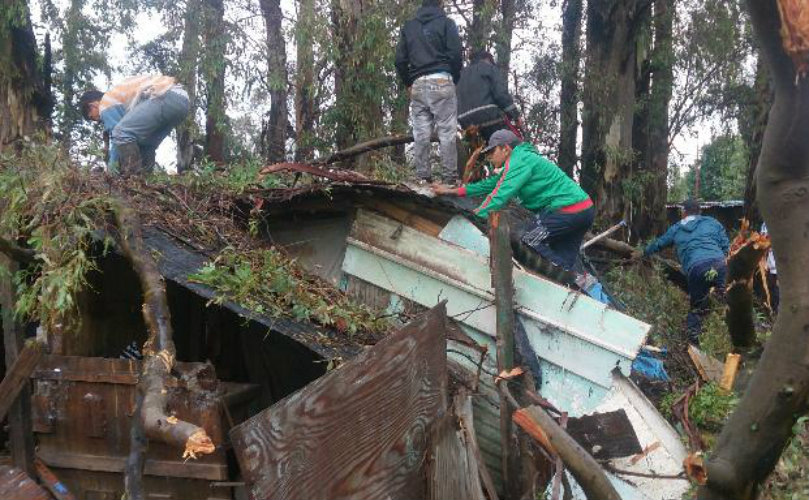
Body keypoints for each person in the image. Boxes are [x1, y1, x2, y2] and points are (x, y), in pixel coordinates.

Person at [432, 129, 594, 271]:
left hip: (567, 210)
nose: (489, 157)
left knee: (528, 240)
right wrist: (452, 191)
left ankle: (564, 273)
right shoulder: (523, 159)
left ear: (506, 149)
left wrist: (475, 215)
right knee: (563, 259)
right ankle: (571, 277)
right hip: (584, 210)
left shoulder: (519, 161)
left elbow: (500, 194)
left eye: (492, 152)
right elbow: (488, 185)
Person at [642, 199, 729, 345]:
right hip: (720, 265)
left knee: (697, 307)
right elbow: (726, 246)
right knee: (726, 300)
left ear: (683, 212)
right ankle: (731, 335)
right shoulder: (712, 222)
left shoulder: (677, 228)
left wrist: (643, 252)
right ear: (699, 211)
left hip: (696, 268)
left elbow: (659, 244)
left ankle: (694, 341)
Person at [395, 0, 462, 184]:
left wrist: (408, 82)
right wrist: (453, 78)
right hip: (441, 78)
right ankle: (449, 179)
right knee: (446, 131)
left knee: (421, 133)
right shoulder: (447, 23)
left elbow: (400, 60)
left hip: (417, 83)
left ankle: (423, 177)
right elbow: (456, 54)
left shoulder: (409, 27)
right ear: (440, 3)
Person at [79, 75, 190, 174]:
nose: (98, 120)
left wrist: (111, 171)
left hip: (165, 95)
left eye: (93, 117)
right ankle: (144, 184)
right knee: (146, 145)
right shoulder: (118, 100)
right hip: (182, 101)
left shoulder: (105, 104)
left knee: (121, 133)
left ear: (93, 105)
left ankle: (132, 180)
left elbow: (117, 138)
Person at [457, 50, 523, 142]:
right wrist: (515, 116)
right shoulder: (488, 68)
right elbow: (500, 95)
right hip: (488, 115)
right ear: (487, 59)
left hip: (466, 122)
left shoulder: (460, 75)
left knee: (490, 149)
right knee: (514, 144)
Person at [760, 222, 779, 313]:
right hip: (770, 265)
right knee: (772, 289)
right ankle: (774, 311)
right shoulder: (765, 224)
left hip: (780, 265)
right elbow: (763, 242)